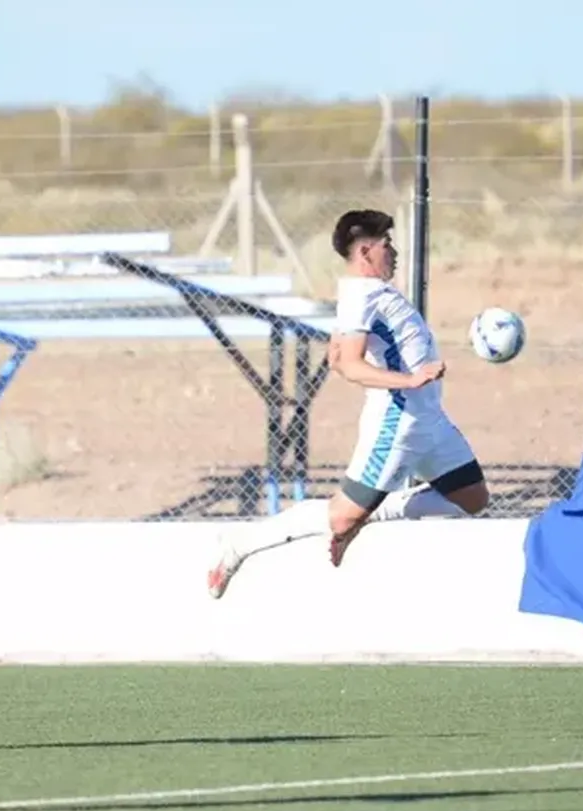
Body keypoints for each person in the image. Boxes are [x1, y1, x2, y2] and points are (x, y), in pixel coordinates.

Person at [207, 209, 489, 598]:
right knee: (340, 518)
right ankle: (239, 546)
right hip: (398, 421)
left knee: (473, 499)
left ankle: (374, 509)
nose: (394, 252)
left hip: (430, 420)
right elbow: (352, 365)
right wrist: (409, 379)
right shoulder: (362, 295)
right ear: (367, 251)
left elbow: (338, 359)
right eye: (388, 245)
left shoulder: (369, 294)